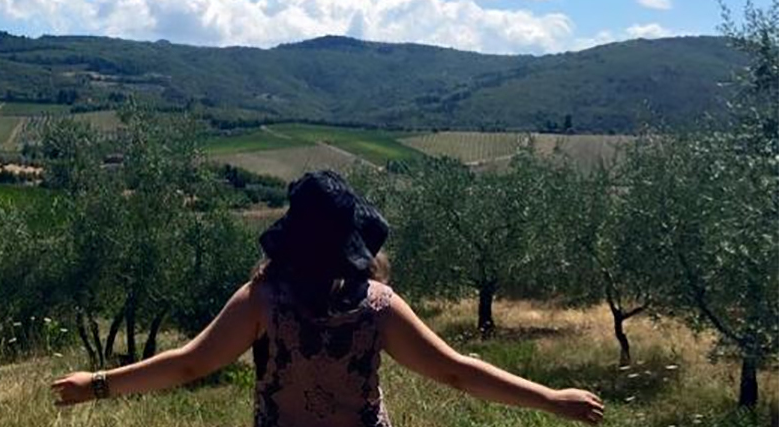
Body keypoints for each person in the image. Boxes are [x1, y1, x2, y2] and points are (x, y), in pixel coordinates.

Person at [52, 170, 605, 426]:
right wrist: (551, 398)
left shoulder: (263, 300)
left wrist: (97, 385)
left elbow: (191, 363)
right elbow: (458, 373)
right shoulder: (380, 308)